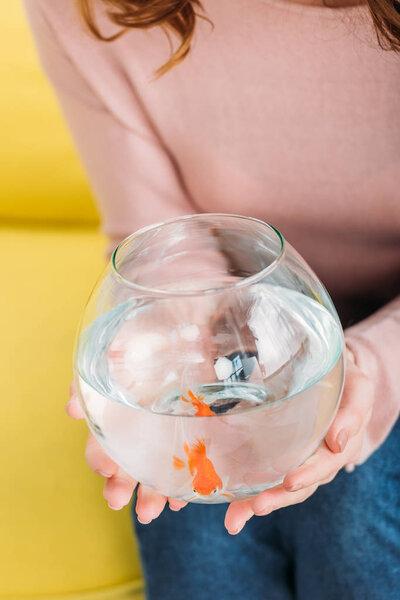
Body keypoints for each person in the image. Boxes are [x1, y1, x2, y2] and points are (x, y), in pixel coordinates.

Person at [25, 1, 400, 598]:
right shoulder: (81, 9)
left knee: (353, 509)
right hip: (240, 330)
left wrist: (379, 366)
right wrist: (174, 337)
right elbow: (161, 242)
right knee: (197, 513)